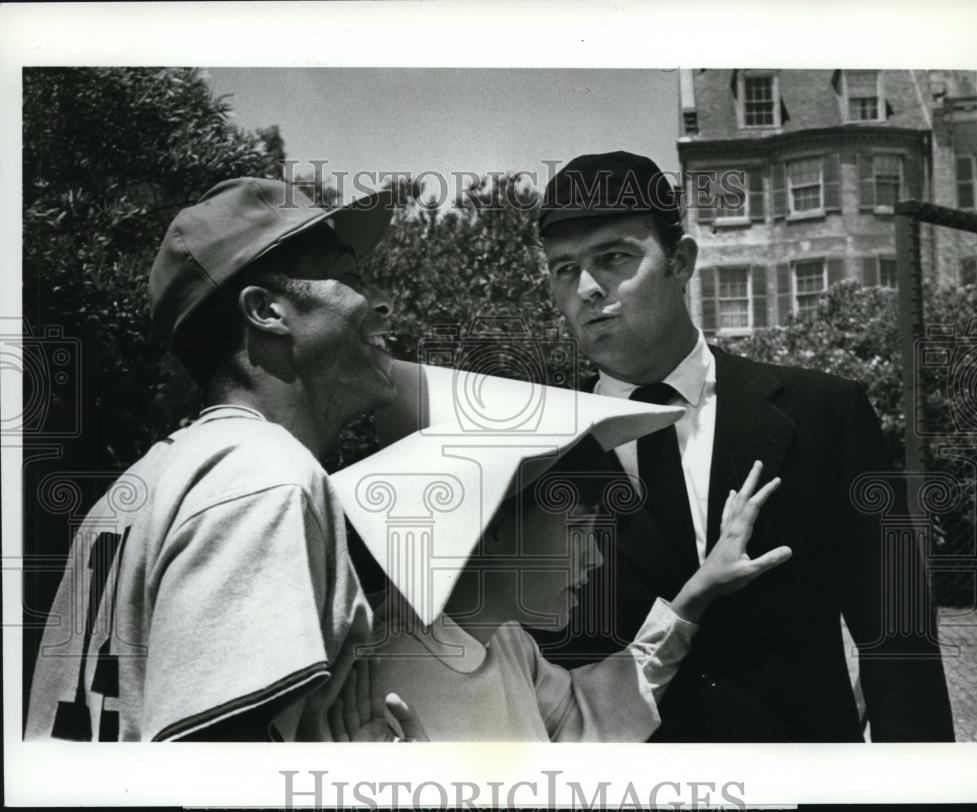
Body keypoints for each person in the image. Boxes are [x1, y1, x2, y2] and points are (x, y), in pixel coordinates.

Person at [530, 150, 954, 742]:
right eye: (563, 268)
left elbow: (898, 636)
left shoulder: (823, 414)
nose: (588, 288)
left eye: (614, 257)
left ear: (681, 261)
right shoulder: (533, 448)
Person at [24, 177, 422, 742]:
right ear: (266, 310)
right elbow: (216, 772)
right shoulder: (264, 473)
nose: (379, 300)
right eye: (351, 276)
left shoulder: (141, 484)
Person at [331, 433, 789, 742]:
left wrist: (696, 594)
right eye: (579, 529)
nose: (595, 557)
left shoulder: (508, 641)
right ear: (491, 524)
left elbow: (583, 718)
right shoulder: (370, 672)